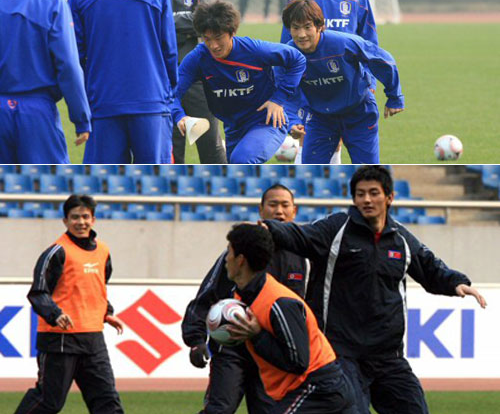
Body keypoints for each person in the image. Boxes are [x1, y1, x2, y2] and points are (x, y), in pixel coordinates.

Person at [262, 165, 488, 414]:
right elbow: (301, 236)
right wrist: (270, 228)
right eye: (360, 194)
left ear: (389, 197)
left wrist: (456, 282)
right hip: (341, 354)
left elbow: (430, 267)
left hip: (388, 357)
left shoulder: (400, 238)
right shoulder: (336, 229)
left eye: (373, 193)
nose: (366, 200)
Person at [182, 184, 309, 414]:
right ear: (261, 210)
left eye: (284, 205)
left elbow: (310, 310)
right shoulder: (238, 252)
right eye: (272, 205)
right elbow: (207, 295)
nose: (279, 211)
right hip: (232, 347)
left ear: (294, 211)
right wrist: (195, 339)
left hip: (273, 353)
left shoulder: (305, 257)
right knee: (218, 410)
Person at [68, 0, 178, 164]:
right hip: (151, 100)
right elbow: (168, 48)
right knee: (155, 189)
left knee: (103, 189)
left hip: (104, 101)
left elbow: (75, 55)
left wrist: (87, 97)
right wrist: (167, 92)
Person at [225, 223, 355, 414]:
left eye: (229, 252)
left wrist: (257, 335)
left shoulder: (279, 302)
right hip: (304, 388)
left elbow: (299, 362)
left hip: (320, 386)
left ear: (241, 260)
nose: (225, 259)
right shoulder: (241, 296)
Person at [14, 194, 125, 414]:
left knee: (107, 401)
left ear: (93, 219)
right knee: (49, 401)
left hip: (93, 338)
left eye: (85, 216)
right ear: (65, 221)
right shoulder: (56, 252)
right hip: (60, 338)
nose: (81, 222)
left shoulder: (103, 251)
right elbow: (38, 292)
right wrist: (55, 314)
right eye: (75, 217)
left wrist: (106, 312)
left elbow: (96, 287)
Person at [172, 0, 306, 164]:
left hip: (266, 122)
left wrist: (278, 100)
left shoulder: (254, 50)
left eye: (218, 37)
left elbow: (297, 59)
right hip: (233, 128)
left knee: (242, 161)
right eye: (207, 39)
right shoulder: (198, 58)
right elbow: (172, 93)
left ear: (232, 32)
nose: (213, 46)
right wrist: (179, 116)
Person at [0, 0, 91, 164]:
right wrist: (81, 118)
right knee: (47, 191)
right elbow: (69, 65)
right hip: (37, 112)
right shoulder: (51, 2)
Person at [281, 0, 403, 164]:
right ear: (289, 29)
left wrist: (394, 96)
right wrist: (293, 122)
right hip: (320, 118)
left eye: (307, 27)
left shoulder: (343, 43)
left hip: (359, 112)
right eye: (295, 28)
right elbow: (283, 93)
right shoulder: (288, 55)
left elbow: (383, 60)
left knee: (367, 170)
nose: (301, 35)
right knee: (311, 169)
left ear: (319, 26)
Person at [156, 0, 226, 164]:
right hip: (163, 78)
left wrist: (164, 20)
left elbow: (204, 20)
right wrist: (187, 21)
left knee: (210, 146)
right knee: (170, 149)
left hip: (199, 78)